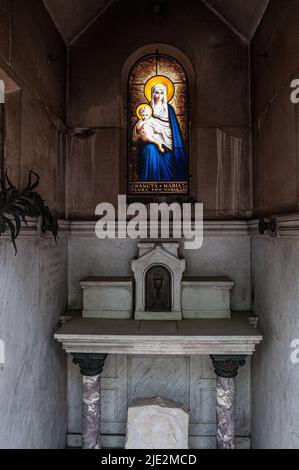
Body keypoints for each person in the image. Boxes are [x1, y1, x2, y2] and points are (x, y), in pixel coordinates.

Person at [133, 81, 187, 182]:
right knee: (150, 150)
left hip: (168, 142)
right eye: (156, 92)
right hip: (150, 141)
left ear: (165, 94)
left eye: (161, 93)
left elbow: (174, 128)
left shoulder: (169, 109)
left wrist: (165, 135)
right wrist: (141, 133)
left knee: (169, 159)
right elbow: (139, 125)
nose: (158, 95)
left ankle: (168, 185)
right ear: (152, 93)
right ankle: (148, 184)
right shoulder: (147, 109)